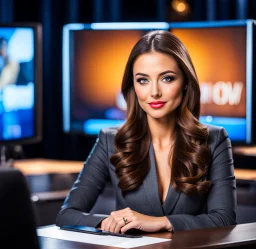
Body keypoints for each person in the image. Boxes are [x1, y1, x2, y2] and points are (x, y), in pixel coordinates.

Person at [56, 30, 236, 233]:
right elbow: (67, 214)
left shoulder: (214, 139)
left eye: (167, 79)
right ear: (132, 86)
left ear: (185, 82)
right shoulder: (110, 140)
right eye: (143, 80)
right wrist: (112, 222)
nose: (154, 92)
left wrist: (162, 222)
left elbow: (225, 219)